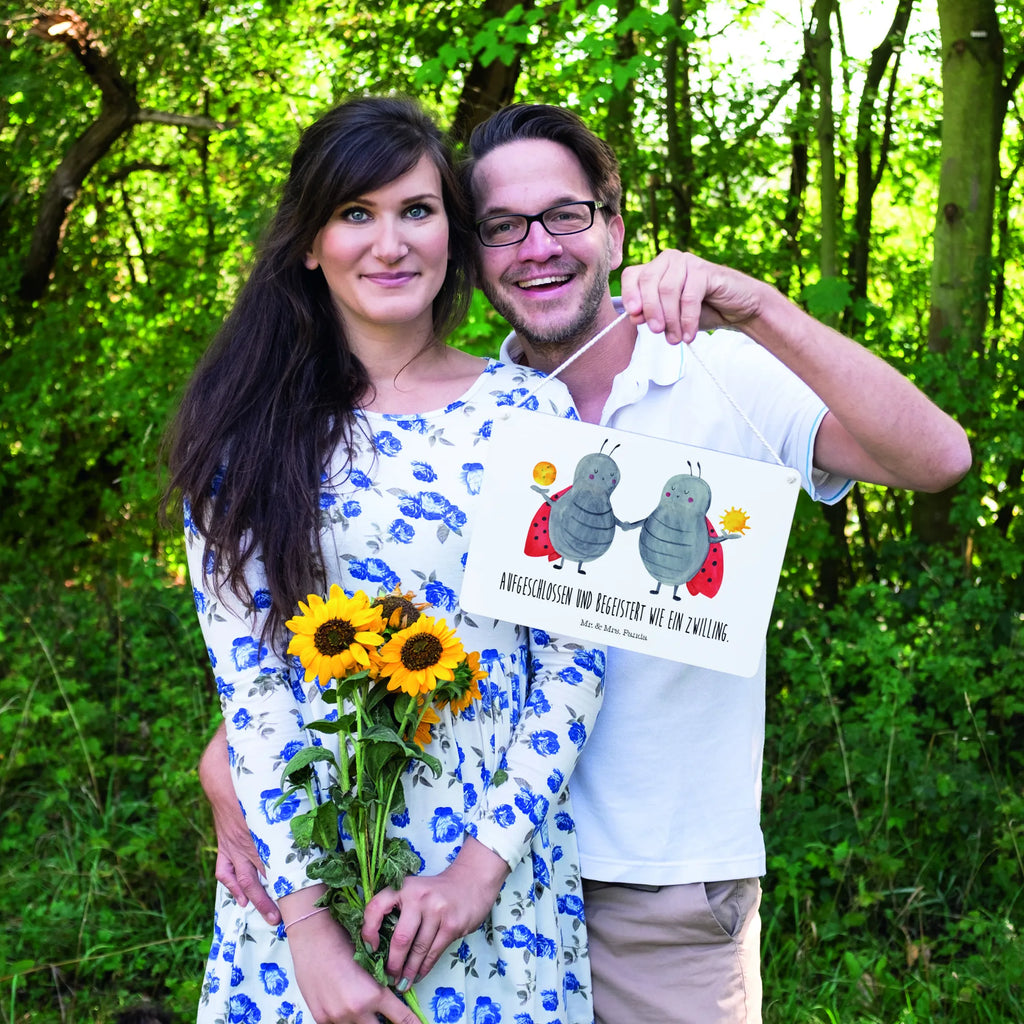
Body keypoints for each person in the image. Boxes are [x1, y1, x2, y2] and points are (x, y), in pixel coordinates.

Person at [202, 102, 972, 1024]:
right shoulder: (467, 417)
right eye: (502, 226)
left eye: (565, 215)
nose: (537, 247)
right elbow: (338, 630)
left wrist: (760, 306)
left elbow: (938, 461)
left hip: (654, 888)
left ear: (612, 225)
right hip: (427, 875)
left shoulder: (712, 372)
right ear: (474, 251)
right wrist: (235, 770)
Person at [165, 96, 609, 1024]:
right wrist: (312, 937)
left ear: (452, 229)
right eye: (355, 214)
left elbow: (574, 663)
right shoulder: (243, 438)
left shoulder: (534, 416)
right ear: (308, 243)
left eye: (417, 210)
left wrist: (478, 872)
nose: (390, 242)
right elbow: (252, 692)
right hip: (304, 886)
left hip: (493, 887)